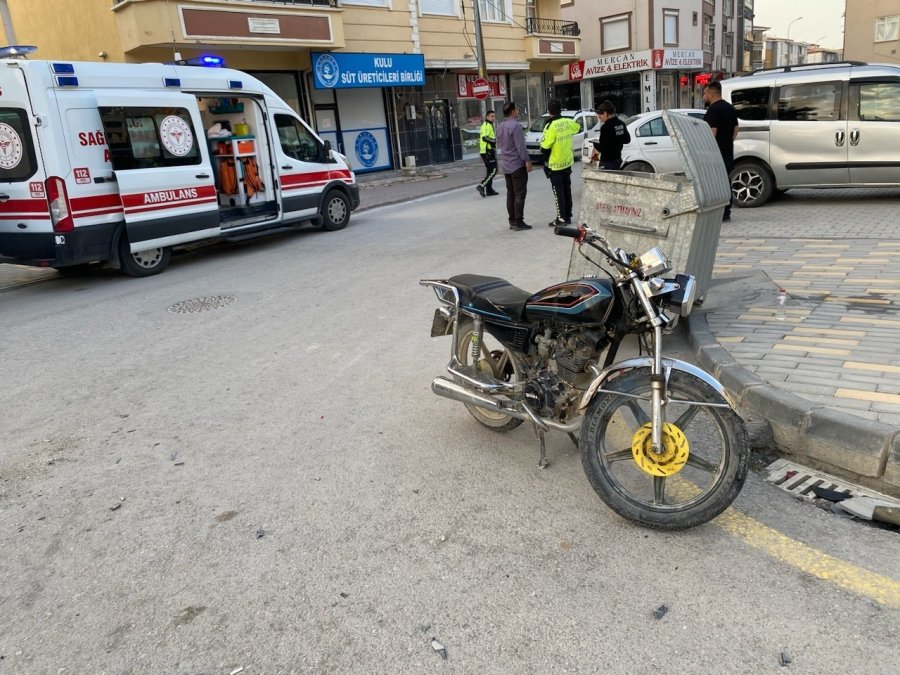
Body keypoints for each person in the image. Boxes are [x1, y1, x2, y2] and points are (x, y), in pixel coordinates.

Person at [539, 99, 581, 228]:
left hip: (555, 165)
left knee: (558, 193)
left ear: (549, 111)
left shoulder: (550, 126)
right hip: (567, 163)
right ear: (560, 109)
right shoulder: (568, 122)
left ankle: (561, 218)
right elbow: (578, 128)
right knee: (567, 189)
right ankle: (568, 215)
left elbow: (544, 147)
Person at [703, 80, 739, 222]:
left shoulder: (713, 110)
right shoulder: (730, 108)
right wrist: (728, 142)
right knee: (725, 181)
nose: (703, 97)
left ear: (711, 94)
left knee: (716, 182)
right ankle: (726, 211)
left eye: (704, 94)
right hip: (728, 151)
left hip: (716, 154)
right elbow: (736, 129)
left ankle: (718, 212)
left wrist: (707, 149)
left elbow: (712, 133)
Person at [496, 101, 533, 231]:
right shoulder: (515, 126)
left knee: (510, 194)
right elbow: (520, 147)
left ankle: (512, 220)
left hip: (506, 165)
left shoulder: (500, 126)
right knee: (519, 194)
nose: (517, 111)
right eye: (516, 109)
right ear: (512, 112)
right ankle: (518, 221)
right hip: (517, 165)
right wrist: (527, 161)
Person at [591, 100, 630, 170]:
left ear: (605, 113)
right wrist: (617, 139)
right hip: (618, 161)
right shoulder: (621, 123)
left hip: (607, 162)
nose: (600, 119)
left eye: (600, 116)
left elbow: (603, 148)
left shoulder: (606, 127)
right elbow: (627, 140)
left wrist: (595, 144)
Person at [475, 110, 499, 198]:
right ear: (487, 117)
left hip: (489, 151)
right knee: (494, 170)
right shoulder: (486, 125)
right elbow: (484, 138)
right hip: (487, 151)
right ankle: (482, 185)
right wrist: (494, 141)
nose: (493, 118)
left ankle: (489, 190)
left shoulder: (490, 125)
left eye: (494, 116)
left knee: (490, 170)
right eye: (492, 116)